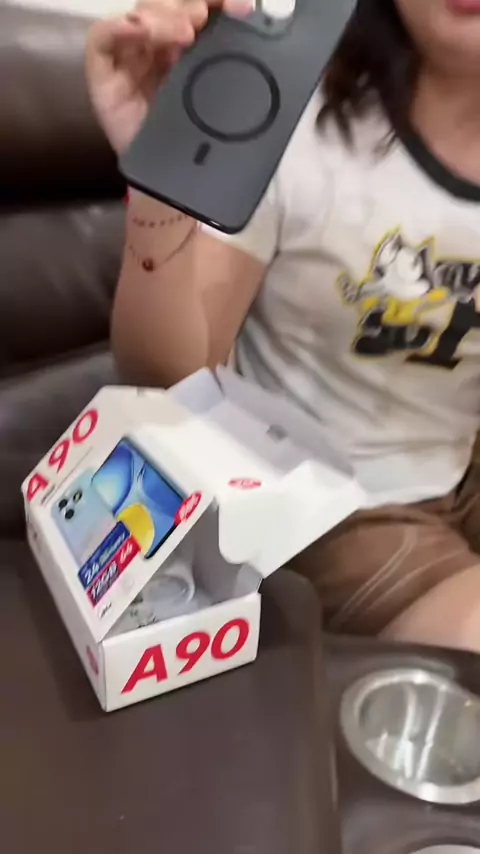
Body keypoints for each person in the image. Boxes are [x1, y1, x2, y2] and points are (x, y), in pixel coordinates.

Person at [86, 0, 480, 652]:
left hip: (459, 468)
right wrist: (164, 181)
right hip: (331, 505)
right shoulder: (298, 120)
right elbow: (170, 378)